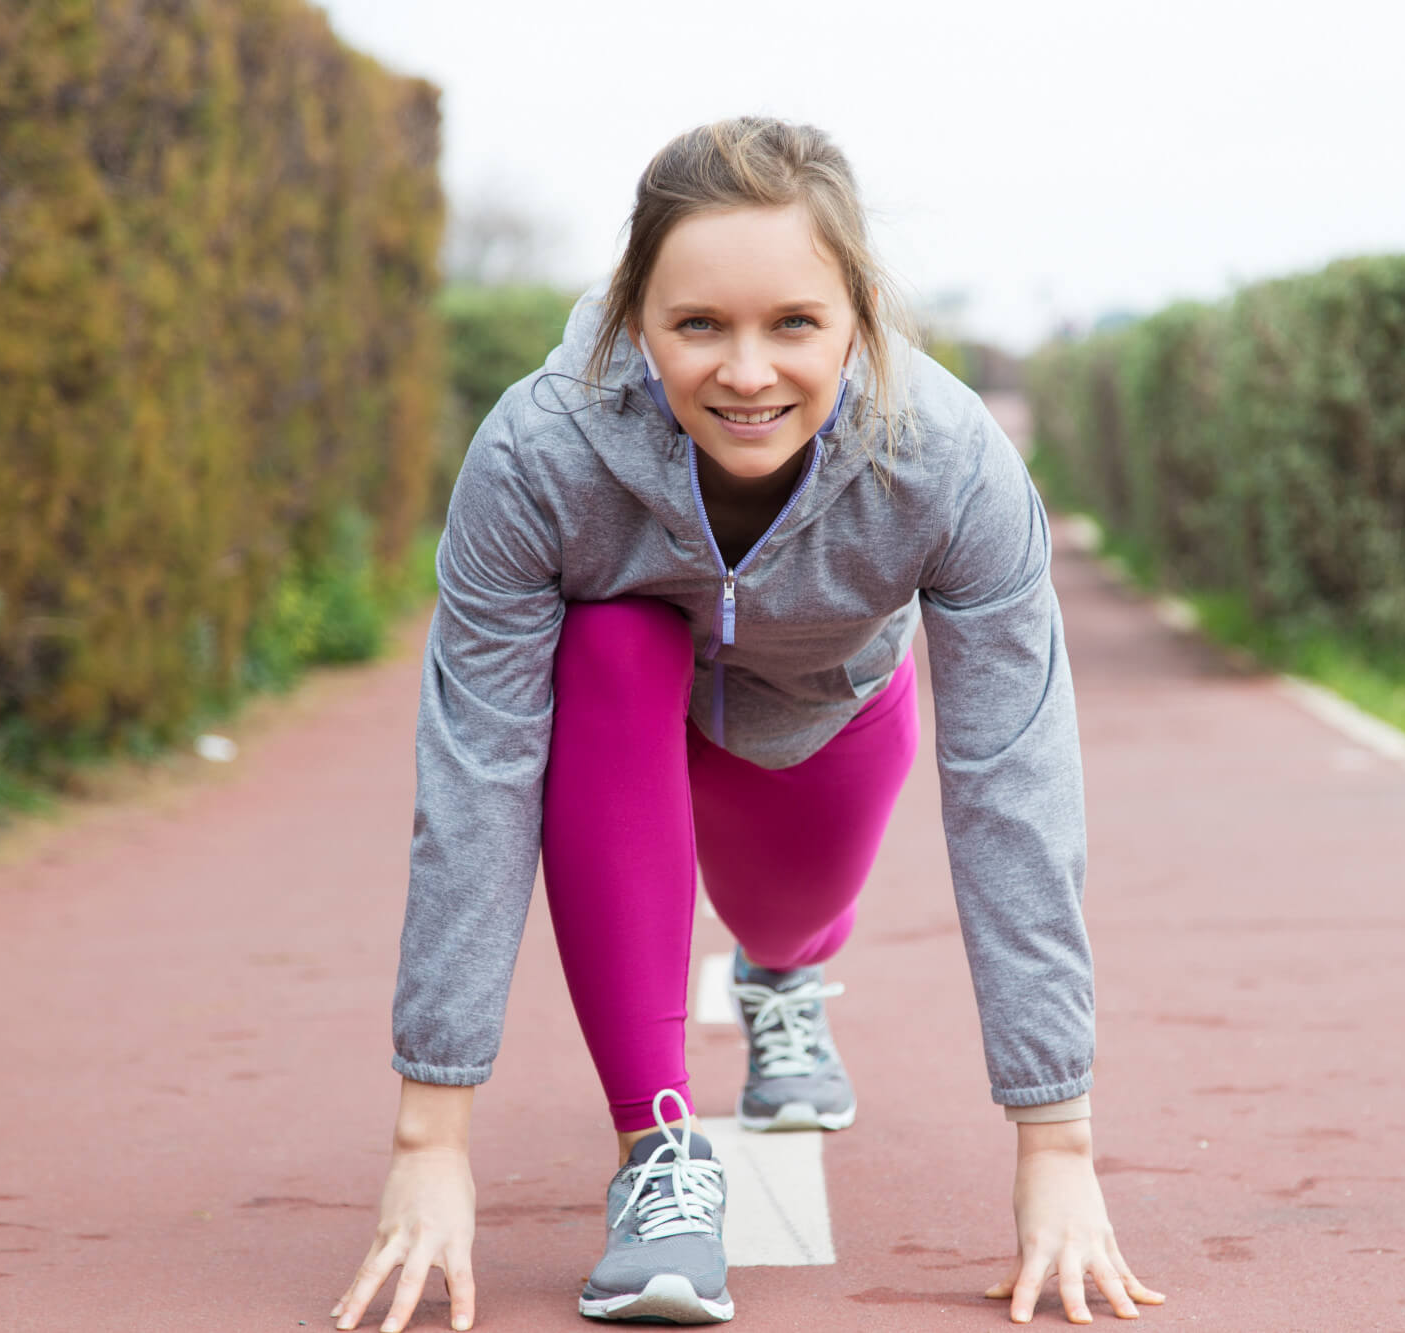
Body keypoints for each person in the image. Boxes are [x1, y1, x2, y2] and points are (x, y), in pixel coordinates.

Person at [331, 116, 1165, 1330]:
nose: (746, 370)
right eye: (696, 325)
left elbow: (1012, 780)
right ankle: (658, 1158)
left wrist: (1057, 1147)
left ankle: (784, 980)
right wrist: (426, 1135)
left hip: (824, 726)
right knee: (615, 632)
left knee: (786, 916)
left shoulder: (943, 462)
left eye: (792, 323)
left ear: (857, 316)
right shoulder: (538, 452)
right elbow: (476, 773)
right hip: (627, 737)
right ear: (632, 317)